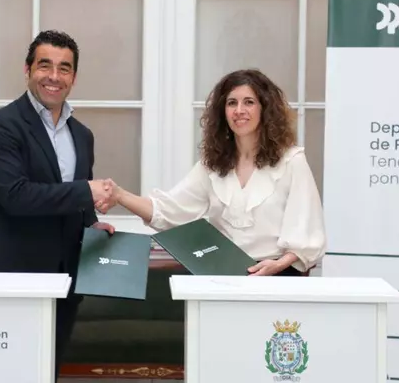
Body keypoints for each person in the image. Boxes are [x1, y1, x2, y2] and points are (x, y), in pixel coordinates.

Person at [0, 30, 116, 375]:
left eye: (64, 68)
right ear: (27, 70)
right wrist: (86, 191)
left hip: (65, 283)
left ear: (74, 77)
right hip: (11, 278)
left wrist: (92, 224)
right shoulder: (1, 126)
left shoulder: (82, 135)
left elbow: (78, 204)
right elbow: (16, 197)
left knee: (46, 372)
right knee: (0, 375)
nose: (54, 76)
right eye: (44, 65)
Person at [96, 69, 325, 276]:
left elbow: (307, 232)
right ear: (222, 112)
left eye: (249, 102)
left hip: (279, 276)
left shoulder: (292, 161)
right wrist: (119, 195)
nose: (239, 111)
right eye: (232, 103)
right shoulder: (212, 165)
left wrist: (277, 266)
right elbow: (167, 212)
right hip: (223, 276)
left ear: (265, 109)